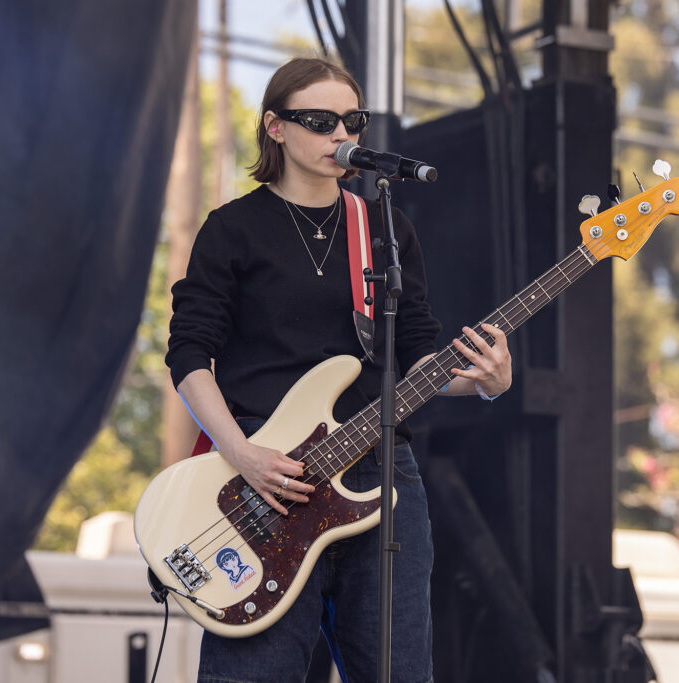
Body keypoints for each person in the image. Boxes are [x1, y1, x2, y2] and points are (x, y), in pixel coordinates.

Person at [166, 57, 512, 683]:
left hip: (380, 469)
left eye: (353, 120)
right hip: (267, 473)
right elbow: (190, 355)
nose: (342, 136)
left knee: (397, 671)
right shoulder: (232, 229)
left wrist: (485, 380)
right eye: (322, 121)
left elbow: (417, 352)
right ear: (275, 127)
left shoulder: (385, 228)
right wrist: (240, 452)